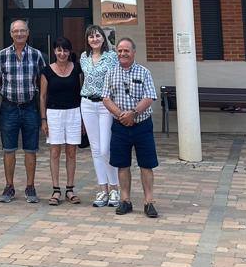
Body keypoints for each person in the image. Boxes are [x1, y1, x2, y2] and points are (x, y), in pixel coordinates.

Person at [102, 37, 159, 218]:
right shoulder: (110, 73)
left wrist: (133, 113)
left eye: (126, 50)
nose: (122, 54)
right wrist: (121, 115)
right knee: (122, 165)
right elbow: (106, 98)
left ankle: (149, 202)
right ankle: (125, 200)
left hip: (142, 125)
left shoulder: (144, 72)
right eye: (119, 50)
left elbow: (150, 96)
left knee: (146, 165)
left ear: (134, 52)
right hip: (120, 126)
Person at [0, 18, 46, 203]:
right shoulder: (1, 55)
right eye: (16, 31)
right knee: (8, 149)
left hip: (30, 107)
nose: (19, 34)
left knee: (30, 149)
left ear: (28, 33)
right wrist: (7, 94)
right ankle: (9, 187)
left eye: (22, 31)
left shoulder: (36, 55)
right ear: (11, 34)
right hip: (9, 107)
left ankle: (30, 187)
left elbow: (42, 80)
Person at [79, 23, 119, 208]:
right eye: (91, 36)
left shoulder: (112, 57)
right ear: (87, 40)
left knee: (106, 148)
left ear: (103, 38)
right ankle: (103, 189)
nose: (94, 39)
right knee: (95, 149)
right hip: (87, 104)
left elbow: (116, 80)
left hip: (105, 105)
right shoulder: (83, 57)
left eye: (97, 36)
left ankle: (115, 188)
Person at [39, 36, 83, 205]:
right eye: (59, 49)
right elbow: (42, 97)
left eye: (65, 50)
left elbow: (81, 94)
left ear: (69, 51)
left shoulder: (77, 69)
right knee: (55, 152)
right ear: (54, 51)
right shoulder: (46, 71)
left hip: (74, 112)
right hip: (54, 114)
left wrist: (83, 120)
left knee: (71, 152)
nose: (62, 53)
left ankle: (70, 189)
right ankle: (56, 189)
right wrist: (43, 119)